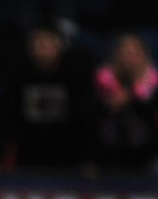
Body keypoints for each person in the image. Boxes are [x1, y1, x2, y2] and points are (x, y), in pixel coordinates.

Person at [7, 24, 94, 172]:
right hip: (29, 156)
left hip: (67, 156)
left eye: (48, 44)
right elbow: (9, 117)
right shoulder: (19, 77)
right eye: (39, 44)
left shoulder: (74, 77)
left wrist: (87, 158)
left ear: (58, 47)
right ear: (31, 48)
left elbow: (83, 119)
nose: (44, 50)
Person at [93, 33, 158, 171]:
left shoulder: (155, 84)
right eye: (124, 53)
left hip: (148, 157)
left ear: (144, 57)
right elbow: (94, 120)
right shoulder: (102, 82)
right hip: (110, 157)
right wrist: (109, 103)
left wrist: (132, 97)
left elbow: (155, 123)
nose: (129, 59)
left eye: (134, 53)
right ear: (116, 56)